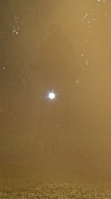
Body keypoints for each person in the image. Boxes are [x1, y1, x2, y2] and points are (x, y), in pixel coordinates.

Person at [33, 23, 81, 151]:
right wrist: (35, 65)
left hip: (62, 81)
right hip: (48, 80)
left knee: (65, 101)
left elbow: (72, 59)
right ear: (50, 33)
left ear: (60, 33)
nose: (54, 34)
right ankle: (40, 129)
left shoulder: (66, 46)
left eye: (56, 31)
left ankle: (65, 118)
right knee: (42, 102)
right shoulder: (44, 47)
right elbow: (38, 59)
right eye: (52, 31)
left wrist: (75, 67)